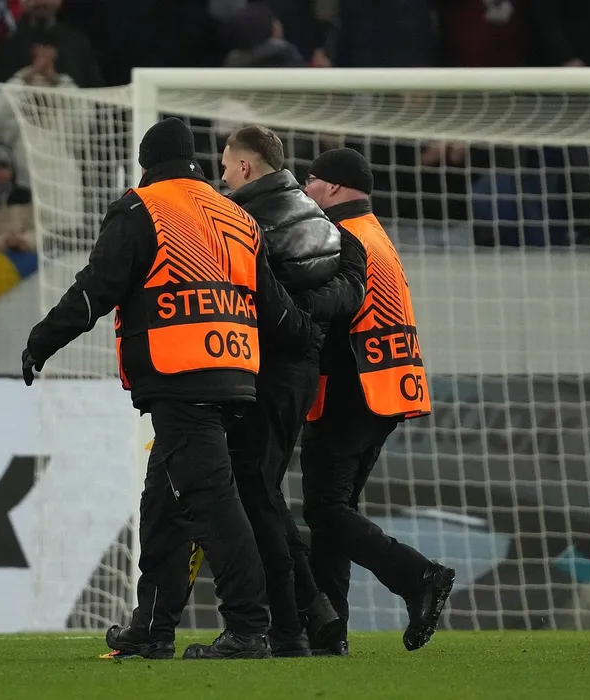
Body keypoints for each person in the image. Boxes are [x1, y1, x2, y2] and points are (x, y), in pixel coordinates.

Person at [21, 118, 320, 660]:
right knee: (162, 507)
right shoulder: (234, 214)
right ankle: (152, 629)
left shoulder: (143, 208)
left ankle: (248, 627)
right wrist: (311, 335)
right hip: (236, 374)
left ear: (147, 164)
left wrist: (43, 340)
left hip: (180, 374)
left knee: (214, 504)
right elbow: (273, 305)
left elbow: (95, 290)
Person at [301, 148, 456, 654]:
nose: (305, 189)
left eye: (311, 180)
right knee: (336, 512)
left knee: (325, 510)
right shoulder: (374, 234)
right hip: (385, 387)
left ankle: (417, 576)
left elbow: (333, 315)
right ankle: (329, 632)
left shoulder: (340, 236)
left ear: (334, 187)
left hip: (352, 387)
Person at [220, 125, 363, 656]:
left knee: (257, 495)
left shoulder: (242, 220)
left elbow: (259, 296)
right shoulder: (318, 217)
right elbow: (350, 286)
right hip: (303, 372)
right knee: (264, 494)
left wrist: (295, 320)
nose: (222, 176)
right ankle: (303, 620)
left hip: (266, 371)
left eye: (226, 166)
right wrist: (310, 320)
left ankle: (299, 619)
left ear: (245, 167)